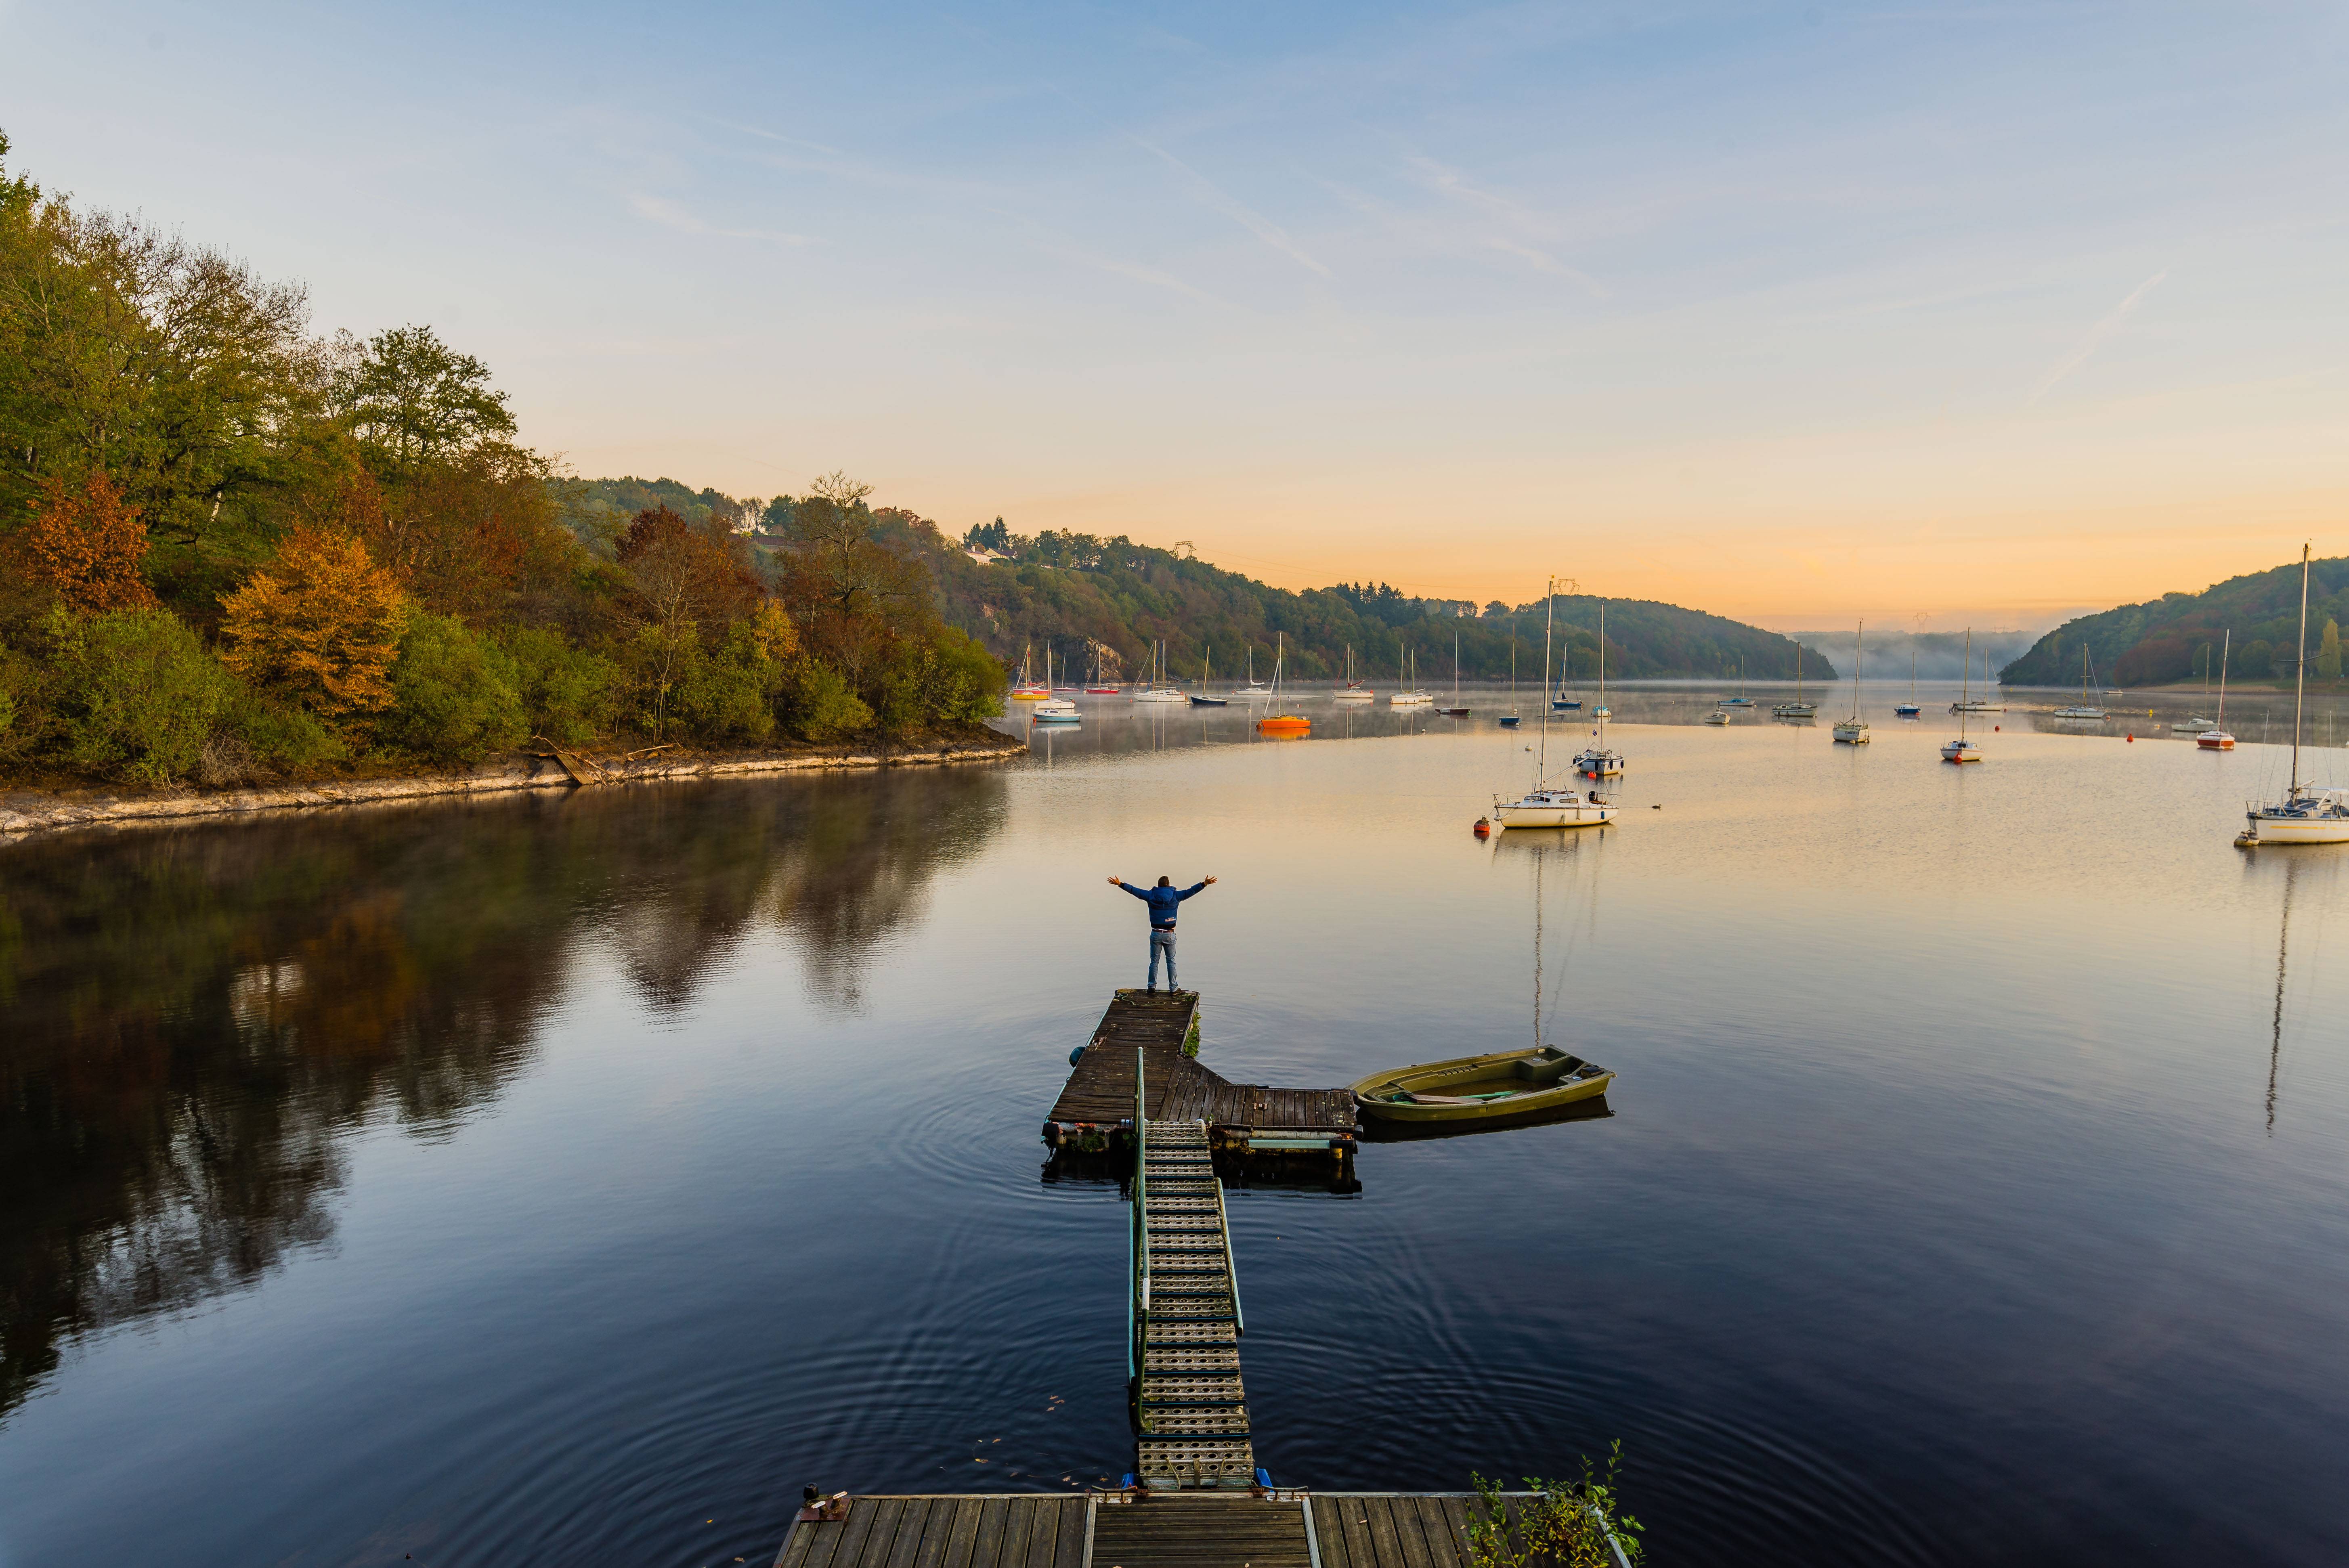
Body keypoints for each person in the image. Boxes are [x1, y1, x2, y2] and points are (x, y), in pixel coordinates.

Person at [1107, 873, 1217, 994]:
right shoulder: (1176, 895)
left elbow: (1136, 891)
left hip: (1156, 933)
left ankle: (1152, 987)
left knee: (1154, 961)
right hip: (1170, 934)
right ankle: (1174, 989)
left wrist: (1121, 884)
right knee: (1171, 961)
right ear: (1169, 886)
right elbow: (1191, 891)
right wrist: (1204, 884)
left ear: (1158, 886)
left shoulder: (1151, 895)